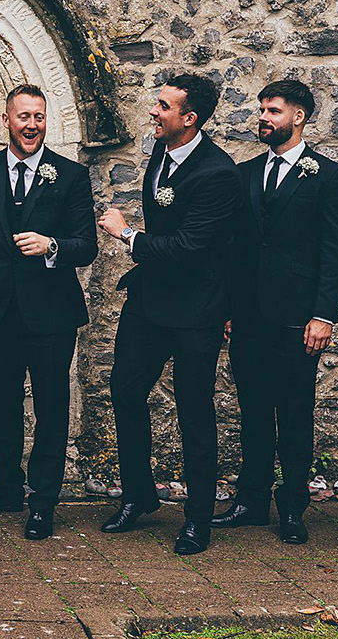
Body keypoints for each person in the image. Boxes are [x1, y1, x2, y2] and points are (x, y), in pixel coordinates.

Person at [99, 74, 239, 556]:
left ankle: (198, 517)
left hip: (195, 310)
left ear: (190, 118)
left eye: (163, 106)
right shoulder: (161, 151)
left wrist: (126, 235)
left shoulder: (217, 173)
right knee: (125, 390)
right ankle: (139, 495)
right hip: (149, 302)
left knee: (194, 411)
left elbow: (189, 249)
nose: (153, 112)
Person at [0, 83, 98, 540]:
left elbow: (86, 246)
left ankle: (43, 501)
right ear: (6, 121)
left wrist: (51, 245)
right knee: (2, 405)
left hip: (51, 316)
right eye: (24, 117)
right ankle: (5, 488)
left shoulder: (70, 175)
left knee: (51, 409)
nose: (32, 125)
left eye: (39, 117)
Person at [215, 80, 338, 545]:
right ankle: (251, 501)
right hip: (249, 317)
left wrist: (323, 315)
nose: (263, 117)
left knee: (295, 413)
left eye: (273, 110)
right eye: (262, 109)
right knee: (252, 411)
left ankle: (292, 506)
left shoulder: (329, 176)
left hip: (299, 319)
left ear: (298, 116)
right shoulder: (246, 173)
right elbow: (234, 249)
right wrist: (231, 310)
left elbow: (336, 252)